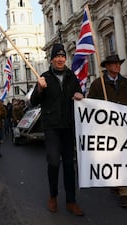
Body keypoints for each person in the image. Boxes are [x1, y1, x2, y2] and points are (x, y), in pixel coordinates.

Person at [30, 43, 84, 216]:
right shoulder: (44, 77)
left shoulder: (71, 76)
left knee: (69, 165)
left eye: (63, 56)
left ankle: (71, 201)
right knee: (53, 163)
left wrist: (80, 96)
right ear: (52, 59)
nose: (60, 59)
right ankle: (53, 196)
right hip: (52, 127)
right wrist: (39, 89)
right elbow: (33, 101)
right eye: (57, 57)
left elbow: (79, 95)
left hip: (68, 126)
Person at [87, 54, 127, 208]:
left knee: (123, 158)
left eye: (118, 63)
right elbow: (90, 105)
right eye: (114, 64)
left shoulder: (126, 83)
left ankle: (123, 190)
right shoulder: (98, 84)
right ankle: (118, 185)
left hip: (124, 129)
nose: (117, 66)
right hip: (107, 130)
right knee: (113, 158)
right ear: (107, 66)